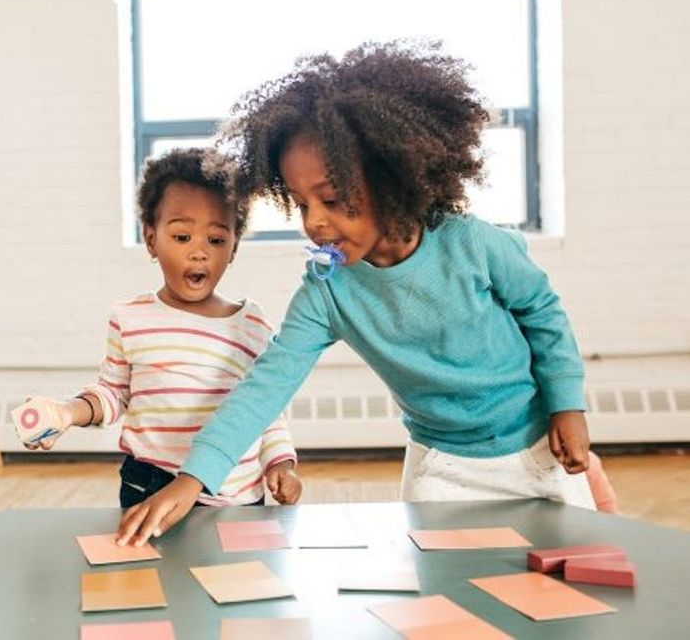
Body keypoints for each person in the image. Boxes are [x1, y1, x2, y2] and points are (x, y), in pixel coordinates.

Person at [117, 40, 601, 545]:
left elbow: (541, 310)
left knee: (576, 581)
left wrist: (567, 404)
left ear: (391, 178)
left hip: (537, 445)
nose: (315, 222)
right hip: (440, 469)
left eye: (330, 198)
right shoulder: (328, 292)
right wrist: (193, 479)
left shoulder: (472, 243)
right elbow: (266, 386)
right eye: (300, 204)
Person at [22, 147, 302, 508]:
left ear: (233, 247)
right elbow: (113, 393)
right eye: (182, 237)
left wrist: (282, 462)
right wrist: (66, 412)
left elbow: (265, 406)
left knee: (235, 567)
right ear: (152, 239)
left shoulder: (251, 324)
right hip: (149, 485)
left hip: (235, 495)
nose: (199, 252)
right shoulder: (130, 317)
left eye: (216, 240)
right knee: (146, 564)